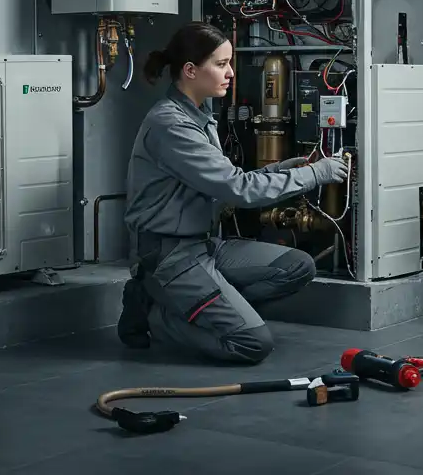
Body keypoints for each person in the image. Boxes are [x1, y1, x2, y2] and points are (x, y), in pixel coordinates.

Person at [115, 21, 350, 364]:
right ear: (191, 70)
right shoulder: (172, 125)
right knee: (252, 343)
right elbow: (239, 190)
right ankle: (157, 317)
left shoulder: (199, 114)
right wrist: (315, 174)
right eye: (221, 64)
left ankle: (195, 302)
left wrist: (281, 170)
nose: (230, 73)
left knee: (297, 266)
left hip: (204, 245)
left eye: (230, 63)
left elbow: (225, 181)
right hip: (169, 254)